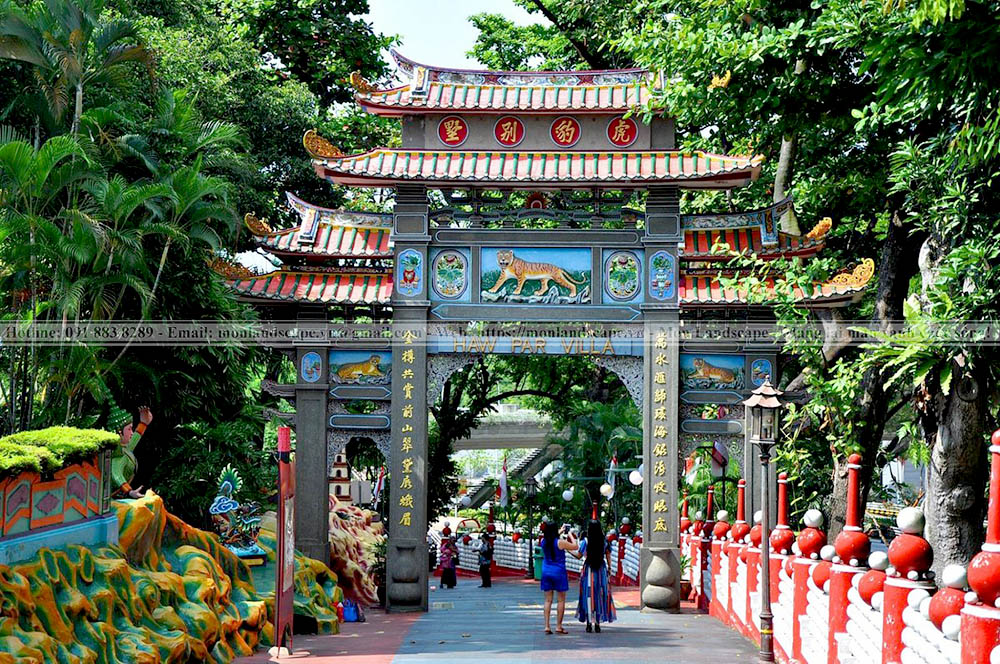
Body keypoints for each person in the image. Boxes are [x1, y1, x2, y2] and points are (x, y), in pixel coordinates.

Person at [572, 519, 617, 633]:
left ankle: (588, 623)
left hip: (589, 570)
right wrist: (610, 568)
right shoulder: (604, 541)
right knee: (599, 594)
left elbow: (578, 555)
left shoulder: (585, 542)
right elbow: (608, 555)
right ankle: (597, 623)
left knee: (588, 594)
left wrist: (567, 550)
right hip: (601, 569)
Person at [540, 519, 578, 635]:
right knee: (561, 600)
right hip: (559, 572)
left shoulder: (543, 541)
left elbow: (551, 539)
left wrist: (559, 532)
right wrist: (571, 535)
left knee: (548, 600)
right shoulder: (560, 542)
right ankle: (558, 626)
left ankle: (546, 626)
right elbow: (575, 547)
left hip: (546, 571)